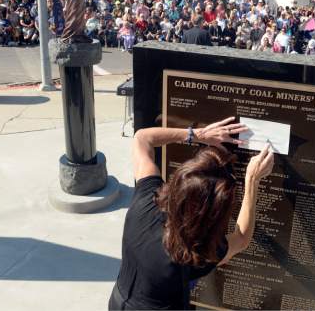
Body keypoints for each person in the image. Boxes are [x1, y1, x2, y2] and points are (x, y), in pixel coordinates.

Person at [108, 117, 274, 310]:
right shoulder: (195, 253)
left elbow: (142, 138)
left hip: (119, 301)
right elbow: (242, 238)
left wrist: (197, 135)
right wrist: (252, 180)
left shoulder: (146, 201)